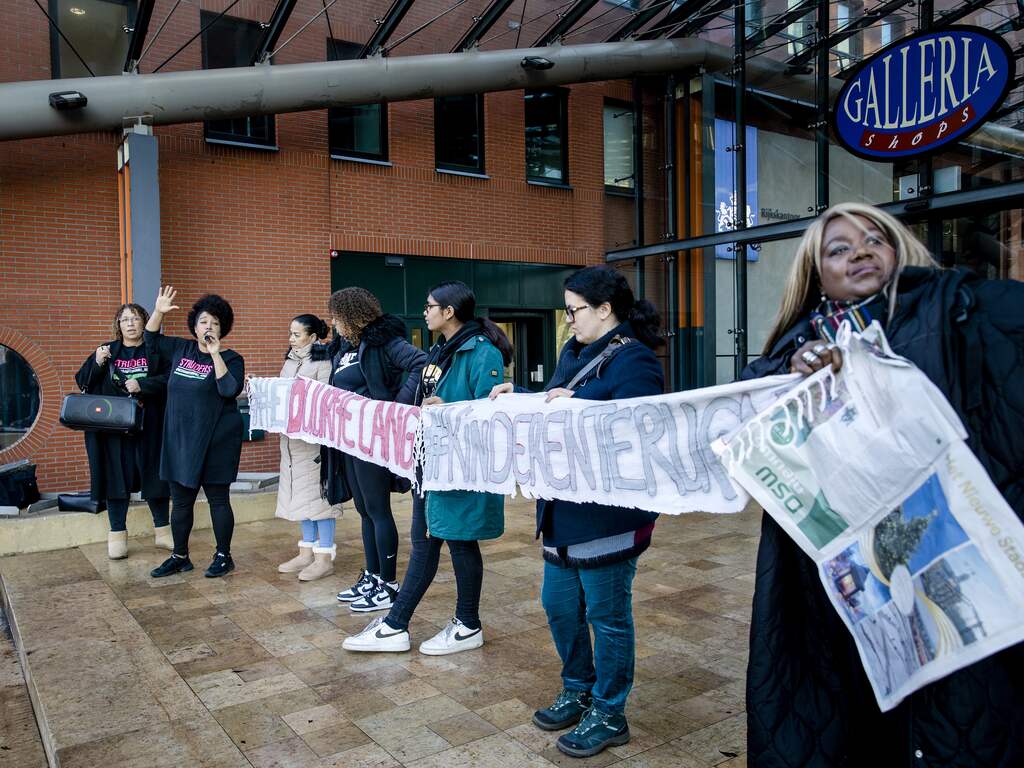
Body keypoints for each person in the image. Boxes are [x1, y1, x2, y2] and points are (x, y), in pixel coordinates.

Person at [742, 202, 1024, 767]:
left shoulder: (949, 308)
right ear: (817, 275)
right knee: (851, 711)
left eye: (875, 239)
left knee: (950, 712)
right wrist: (788, 371)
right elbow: (740, 410)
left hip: (946, 555)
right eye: (839, 248)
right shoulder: (795, 347)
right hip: (836, 589)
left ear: (899, 250)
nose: (861, 252)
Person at [490, 265, 665, 758]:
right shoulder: (576, 352)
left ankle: (610, 711)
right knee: (560, 606)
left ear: (605, 309)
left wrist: (578, 401)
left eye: (574, 311)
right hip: (562, 510)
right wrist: (521, 397)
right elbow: (557, 404)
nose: (568, 321)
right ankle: (579, 688)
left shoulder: (635, 361)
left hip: (609, 514)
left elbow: (636, 426)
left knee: (607, 616)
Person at [343, 280, 513, 655]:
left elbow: (488, 414)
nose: (425, 311)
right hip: (431, 461)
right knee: (429, 544)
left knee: (455, 543)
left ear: (448, 311)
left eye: (429, 305)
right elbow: (424, 391)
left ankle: (450, 624)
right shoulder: (441, 349)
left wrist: (444, 411)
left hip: (460, 467)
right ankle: (404, 625)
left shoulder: (481, 353)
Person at [322, 287, 426, 612]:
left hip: (374, 439)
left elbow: (422, 364)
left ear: (351, 316)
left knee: (378, 510)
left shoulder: (384, 342)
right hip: (348, 440)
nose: (333, 322)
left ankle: (389, 584)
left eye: (337, 316)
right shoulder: (344, 349)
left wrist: (395, 407)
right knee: (364, 510)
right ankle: (372, 576)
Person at [144, 286, 245, 579]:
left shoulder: (232, 358)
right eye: (203, 321)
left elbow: (229, 389)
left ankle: (224, 556)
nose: (208, 326)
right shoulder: (180, 349)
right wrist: (159, 312)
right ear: (194, 326)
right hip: (181, 440)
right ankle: (180, 556)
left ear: (222, 328)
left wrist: (215, 354)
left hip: (216, 440)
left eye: (214, 322)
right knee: (182, 502)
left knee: (218, 500)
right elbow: (150, 339)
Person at [75, 303, 171, 559]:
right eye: (124, 319)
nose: (130, 324)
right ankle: (117, 535)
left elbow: (171, 379)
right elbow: (83, 381)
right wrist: (97, 363)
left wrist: (143, 385)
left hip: (150, 426)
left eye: (135, 318)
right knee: (115, 478)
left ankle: (163, 533)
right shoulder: (108, 350)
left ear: (144, 322)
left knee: (155, 477)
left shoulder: (156, 349)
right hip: (114, 431)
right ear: (118, 325)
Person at [274, 314, 342, 581]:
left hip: (314, 440)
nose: (291, 339)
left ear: (313, 337)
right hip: (291, 441)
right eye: (290, 334)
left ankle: (324, 556)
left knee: (319, 498)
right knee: (301, 495)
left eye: (297, 334)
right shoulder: (290, 360)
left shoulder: (324, 361)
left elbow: (325, 397)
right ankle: (306, 553)